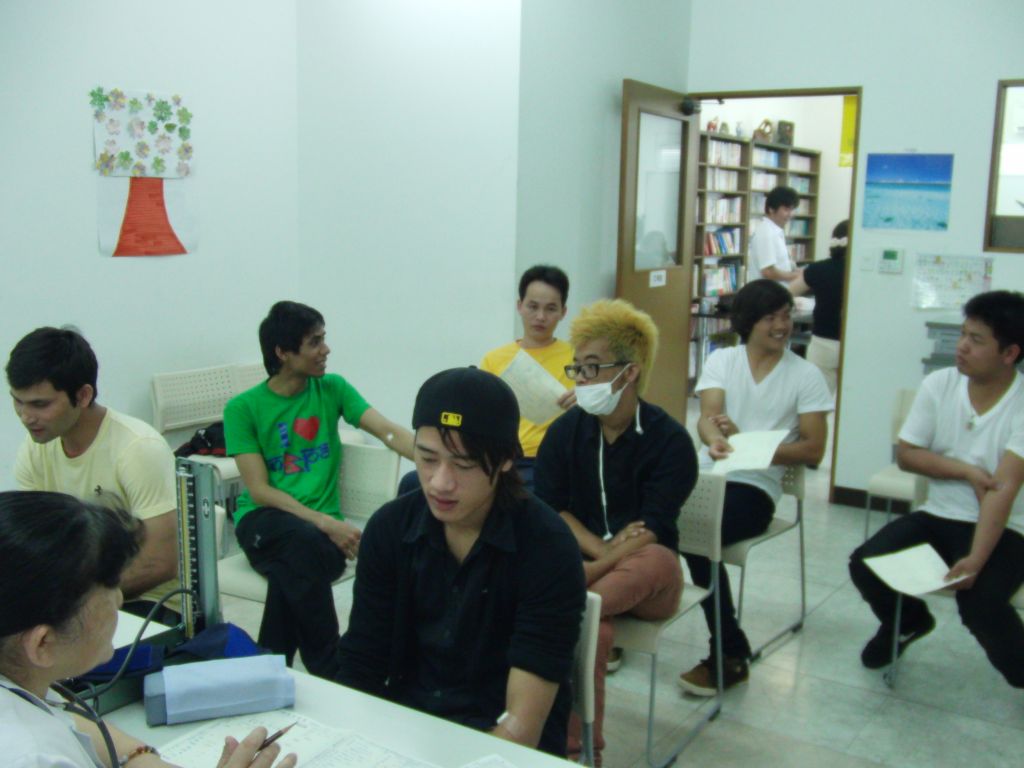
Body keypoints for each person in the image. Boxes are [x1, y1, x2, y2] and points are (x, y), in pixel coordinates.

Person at [336, 367, 585, 758]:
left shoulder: (547, 546)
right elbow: (362, 663)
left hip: (502, 748)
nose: (440, 482)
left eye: (464, 465)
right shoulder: (390, 529)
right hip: (408, 732)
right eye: (426, 458)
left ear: (507, 460)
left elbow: (521, 725)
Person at [0, 490, 296, 768]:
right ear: (43, 644)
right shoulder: (34, 756)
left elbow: (71, 718)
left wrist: (140, 757)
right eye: (110, 586)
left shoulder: (22, 672)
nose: (119, 600)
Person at [533, 298, 696, 764]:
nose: (580, 380)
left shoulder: (670, 441)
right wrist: (603, 551)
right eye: (577, 368)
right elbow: (553, 508)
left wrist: (595, 563)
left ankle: (569, 591)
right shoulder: (565, 433)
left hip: (649, 580)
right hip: (593, 573)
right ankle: (579, 754)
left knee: (655, 558)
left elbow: (654, 528)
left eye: (591, 367)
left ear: (629, 372)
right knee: (592, 626)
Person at [224, 300, 414, 679]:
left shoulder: (332, 389)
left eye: (323, 339)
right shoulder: (243, 408)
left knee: (293, 568)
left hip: (317, 541)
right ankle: (330, 665)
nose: (326, 350)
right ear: (283, 352)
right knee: (303, 545)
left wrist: (433, 458)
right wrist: (326, 523)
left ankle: (268, 667)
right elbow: (259, 491)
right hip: (264, 523)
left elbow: (387, 431)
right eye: (314, 342)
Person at [849, 291, 1024, 686]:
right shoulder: (939, 384)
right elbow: (908, 455)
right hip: (938, 514)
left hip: (1007, 528)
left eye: (976, 339)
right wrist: (966, 472)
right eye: (962, 334)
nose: (961, 346)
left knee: (980, 605)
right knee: (866, 563)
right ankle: (908, 621)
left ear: (1010, 353)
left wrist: (975, 560)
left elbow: (1002, 489)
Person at [678, 279, 831, 696]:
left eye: (786, 316)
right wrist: (715, 439)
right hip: (709, 474)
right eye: (770, 318)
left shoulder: (806, 375)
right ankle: (624, 625)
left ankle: (728, 652)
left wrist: (752, 447)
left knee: (694, 536)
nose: (782, 325)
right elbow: (708, 417)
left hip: (756, 487)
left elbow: (814, 448)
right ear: (748, 321)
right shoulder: (723, 360)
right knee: (647, 520)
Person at [7, 327, 179, 617]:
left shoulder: (138, 449)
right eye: (17, 401)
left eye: (40, 404)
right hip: (76, 598)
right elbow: (34, 540)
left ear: (83, 395)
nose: (25, 417)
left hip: (150, 603)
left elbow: (161, 562)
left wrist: (75, 600)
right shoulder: (35, 449)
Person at [479, 264, 576, 488]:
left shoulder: (577, 358)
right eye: (533, 306)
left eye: (551, 309)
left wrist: (585, 398)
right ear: (519, 306)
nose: (540, 317)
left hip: (554, 459)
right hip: (501, 457)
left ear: (563, 312)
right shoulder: (494, 360)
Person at [789, 219, 848, 394]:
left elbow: (786, 294)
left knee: (819, 397)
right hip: (854, 342)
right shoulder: (862, 272)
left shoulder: (818, 269)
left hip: (823, 342)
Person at [749, 185, 801, 284]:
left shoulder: (775, 231)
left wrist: (798, 271)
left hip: (778, 289)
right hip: (766, 292)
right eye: (786, 209)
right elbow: (768, 272)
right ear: (771, 209)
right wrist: (796, 276)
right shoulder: (766, 232)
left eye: (791, 210)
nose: (790, 214)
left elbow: (781, 265)